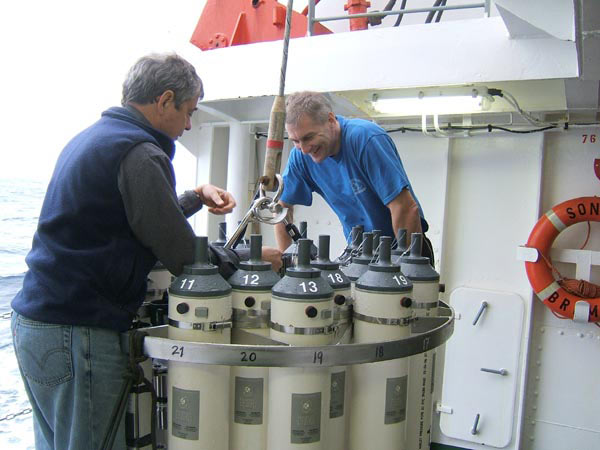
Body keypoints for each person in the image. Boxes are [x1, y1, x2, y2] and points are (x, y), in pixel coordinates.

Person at [11, 53, 281, 450]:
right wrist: (252, 261)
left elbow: (127, 213)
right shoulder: (139, 152)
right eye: (187, 112)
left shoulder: (95, 138)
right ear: (165, 99)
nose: (189, 125)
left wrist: (194, 196)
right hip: (79, 332)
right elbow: (184, 257)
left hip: (36, 326)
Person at [275, 91, 433, 263]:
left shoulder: (365, 139)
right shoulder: (300, 157)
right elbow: (280, 210)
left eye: (309, 137)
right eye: (295, 141)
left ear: (330, 120)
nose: (304, 149)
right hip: (359, 254)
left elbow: (405, 208)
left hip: (403, 249)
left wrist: (403, 268)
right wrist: (288, 265)